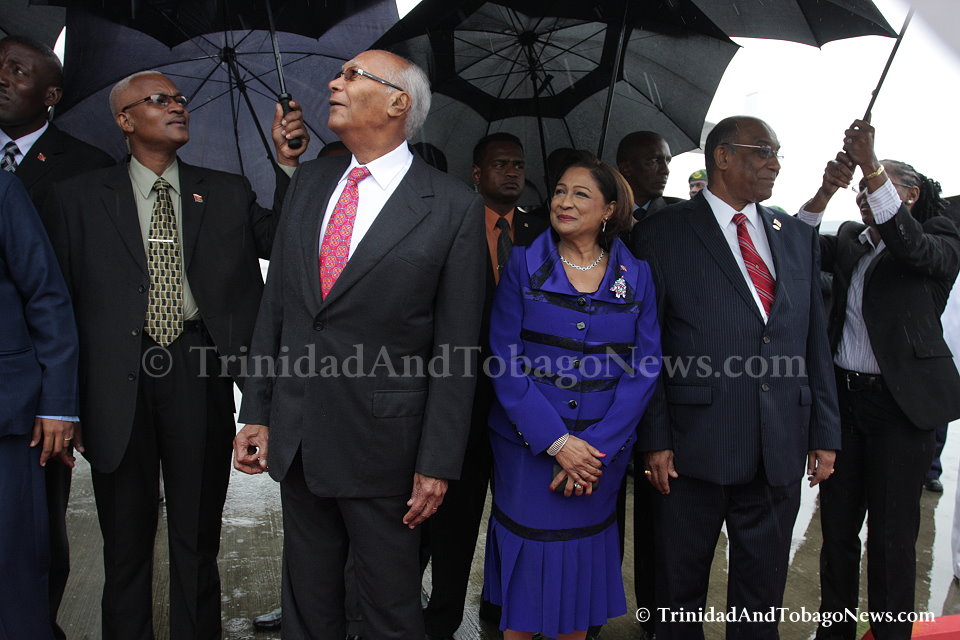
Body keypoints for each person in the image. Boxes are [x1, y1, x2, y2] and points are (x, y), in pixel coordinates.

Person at [40, 70, 307, 640]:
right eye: (158, 100)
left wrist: (286, 165)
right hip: (114, 380)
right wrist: (64, 401)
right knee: (124, 547)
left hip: (197, 366)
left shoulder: (227, 190)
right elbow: (57, 304)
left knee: (196, 541)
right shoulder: (78, 197)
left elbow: (286, 240)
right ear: (125, 120)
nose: (177, 107)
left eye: (179, 99)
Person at [232, 49, 485, 639]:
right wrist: (258, 411)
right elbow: (279, 310)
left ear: (398, 103)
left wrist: (437, 463)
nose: (333, 84)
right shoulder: (311, 183)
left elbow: (456, 353)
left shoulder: (452, 207)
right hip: (299, 440)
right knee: (307, 610)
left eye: (352, 75)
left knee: (388, 613)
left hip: (385, 451)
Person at [631, 115, 841, 639]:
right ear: (722, 156)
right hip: (691, 449)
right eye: (763, 150)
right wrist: (654, 438)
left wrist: (824, 432)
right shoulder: (662, 233)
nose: (775, 164)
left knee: (761, 597)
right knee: (678, 594)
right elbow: (645, 346)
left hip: (778, 446)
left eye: (777, 153)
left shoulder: (795, 236)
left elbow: (813, 342)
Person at [483, 156, 661, 639]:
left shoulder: (636, 276)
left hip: (598, 462)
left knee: (576, 597)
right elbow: (503, 358)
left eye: (581, 194)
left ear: (609, 209)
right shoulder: (523, 264)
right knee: (523, 601)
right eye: (560, 191)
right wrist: (557, 442)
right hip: (527, 454)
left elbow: (645, 367)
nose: (565, 202)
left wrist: (594, 449)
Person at [797, 120, 960, 640]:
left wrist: (870, 164)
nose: (865, 194)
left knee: (892, 536)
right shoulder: (850, 238)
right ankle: (834, 631)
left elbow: (911, 248)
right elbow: (796, 247)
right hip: (845, 405)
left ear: (908, 195)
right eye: (863, 188)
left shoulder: (940, 238)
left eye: (879, 186)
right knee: (837, 529)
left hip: (900, 410)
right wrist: (827, 189)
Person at [0, 35, 114, 639]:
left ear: (50, 95)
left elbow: (74, 289)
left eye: (17, 71)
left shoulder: (88, 164)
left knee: (32, 532)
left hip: (41, 382)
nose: (1, 77)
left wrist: (64, 399)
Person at [419, 132, 548, 640]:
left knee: (517, 515)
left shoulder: (542, 232)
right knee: (453, 518)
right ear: (477, 174)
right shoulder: (452, 222)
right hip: (463, 400)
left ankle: (502, 606)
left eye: (518, 164)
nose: (512, 172)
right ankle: (441, 618)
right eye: (500, 164)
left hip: (526, 404)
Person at [0, 170, 78, 640]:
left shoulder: (3, 189)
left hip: (8, 413)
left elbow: (46, 295)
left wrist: (58, 404)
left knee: (14, 559)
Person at [616, 131, 680, 225]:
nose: (666, 170)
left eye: (667, 161)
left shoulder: (683, 215)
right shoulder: (601, 211)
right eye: (654, 160)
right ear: (626, 168)